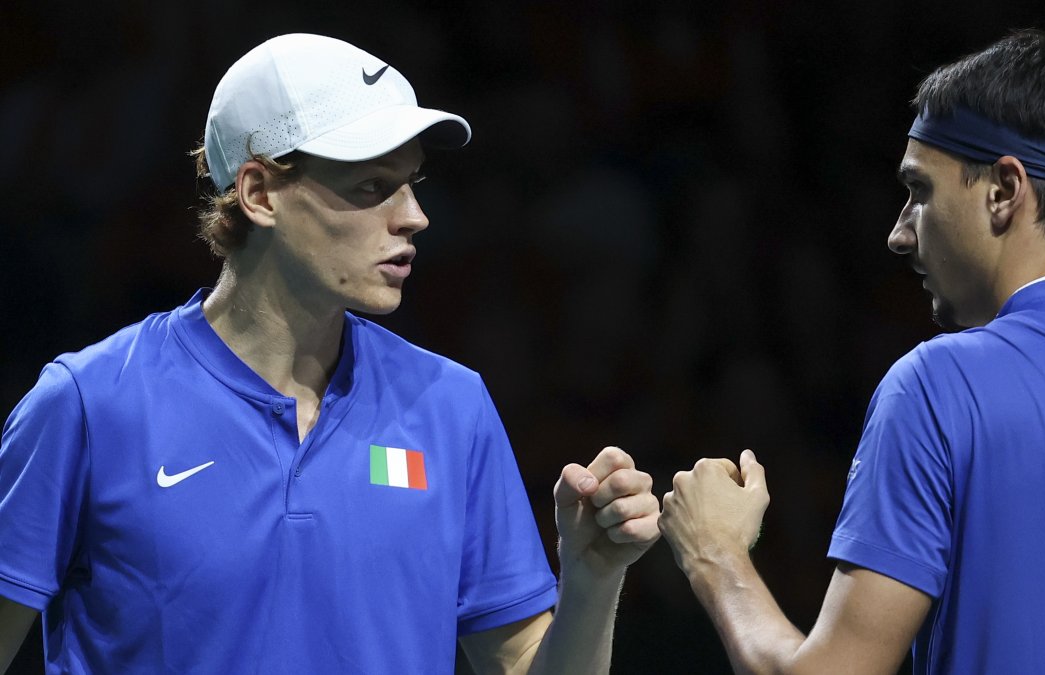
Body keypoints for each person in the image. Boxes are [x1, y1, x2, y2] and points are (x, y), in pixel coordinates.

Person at [0, 33, 659, 674]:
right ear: (259, 194)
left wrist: (592, 579)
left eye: (410, 183)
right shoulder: (88, 403)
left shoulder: (452, 406)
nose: (415, 216)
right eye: (372, 187)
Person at [658, 23, 1045, 674]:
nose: (898, 233)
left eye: (920, 192)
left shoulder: (942, 386)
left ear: (1004, 191)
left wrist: (715, 553)